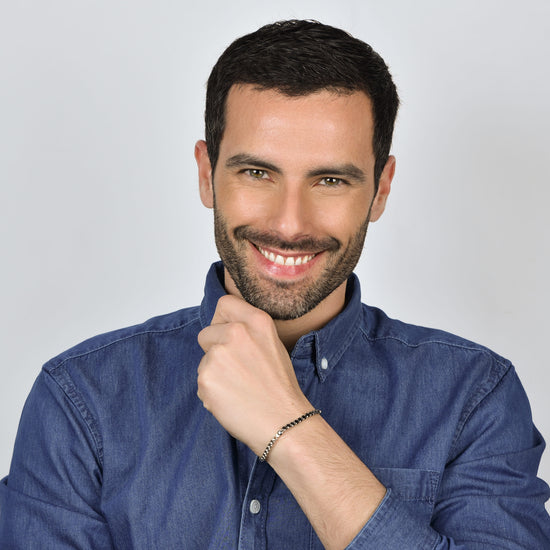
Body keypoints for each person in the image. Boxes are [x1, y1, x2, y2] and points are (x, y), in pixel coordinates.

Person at [1, 19, 549, 549]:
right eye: (257, 173)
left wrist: (291, 428)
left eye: (330, 180)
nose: (290, 225)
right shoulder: (82, 399)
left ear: (380, 190)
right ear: (206, 174)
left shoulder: (475, 398)